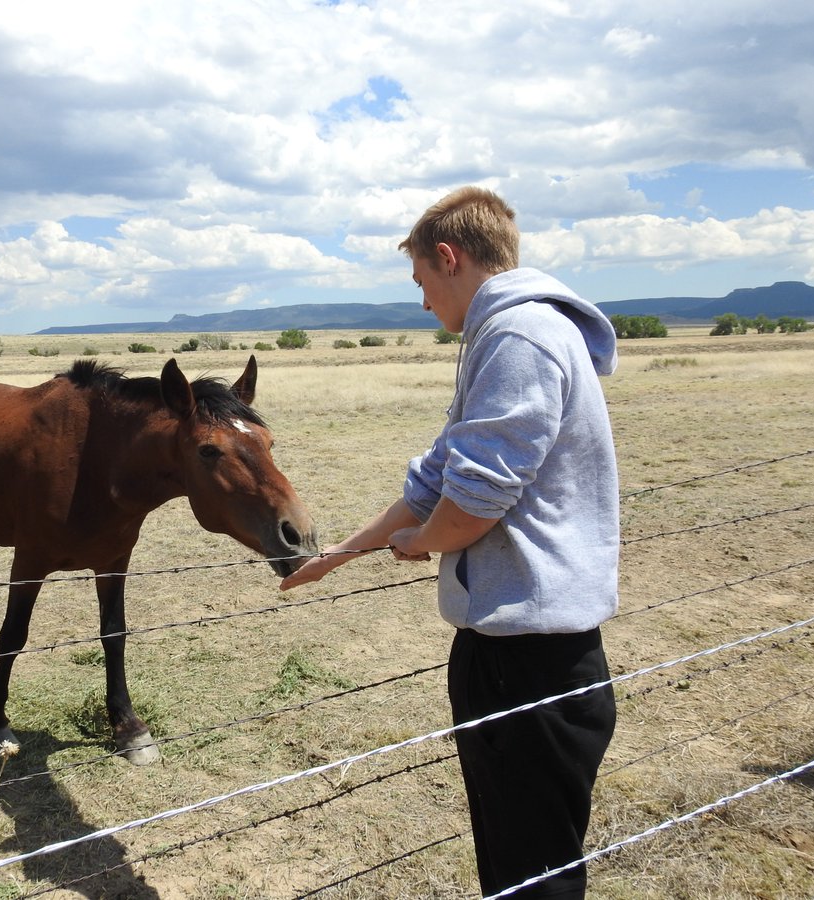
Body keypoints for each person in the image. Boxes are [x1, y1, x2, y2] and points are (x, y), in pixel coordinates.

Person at [279, 186, 619, 898]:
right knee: (516, 856)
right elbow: (440, 476)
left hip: (529, 663)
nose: (423, 301)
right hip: (522, 651)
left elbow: (473, 503)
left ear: (449, 256)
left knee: (533, 873)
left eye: (422, 282)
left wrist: (422, 543)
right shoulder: (509, 334)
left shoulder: (517, 337)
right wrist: (346, 551)